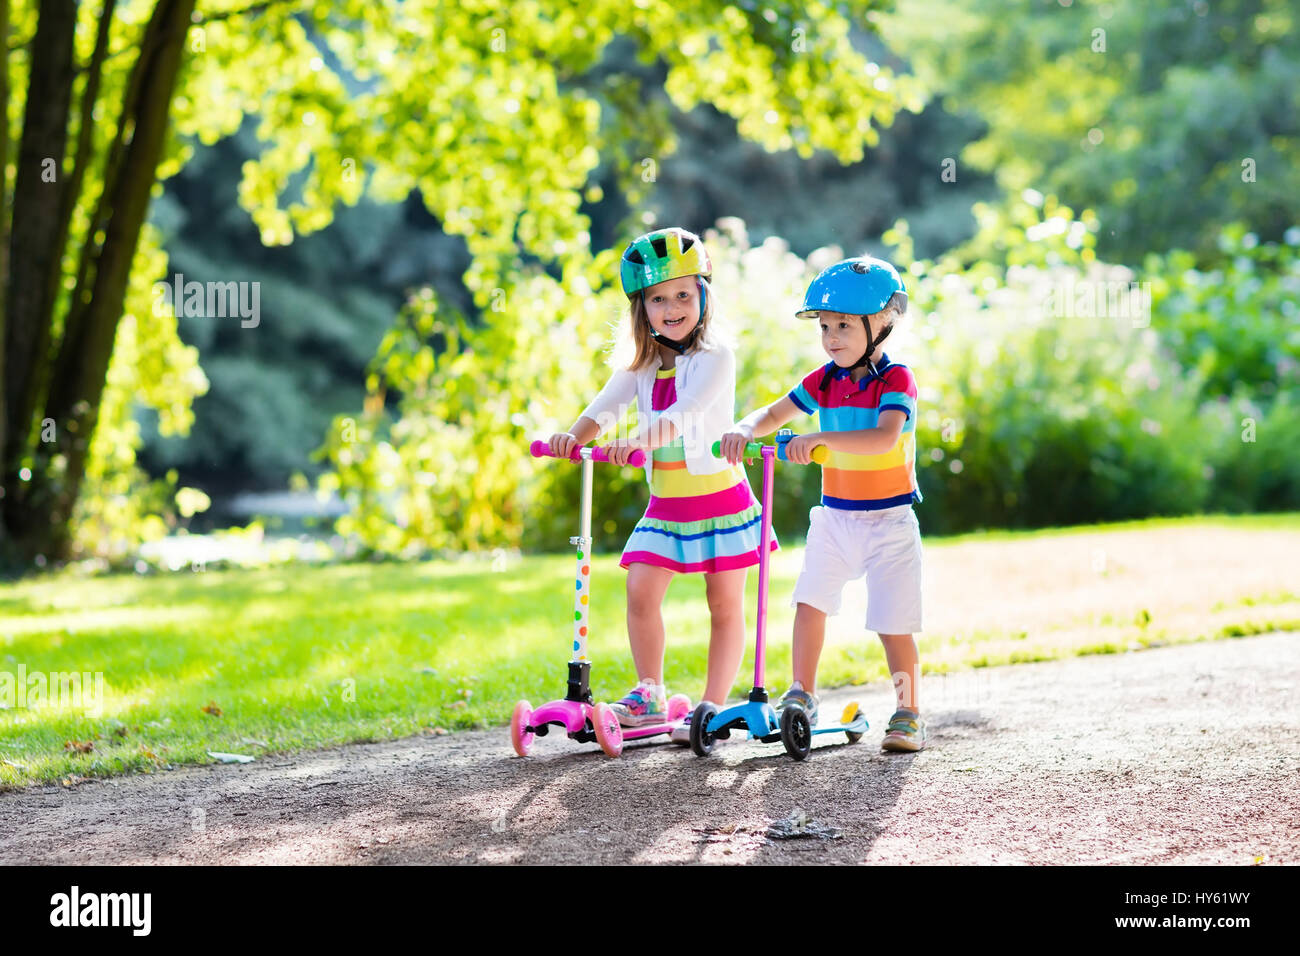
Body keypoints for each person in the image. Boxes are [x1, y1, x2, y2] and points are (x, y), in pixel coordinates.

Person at [547, 227, 775, 741]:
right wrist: (573, 437)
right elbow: (606, 405)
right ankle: (649, 691)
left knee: (724, 605)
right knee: (640, 590)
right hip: (668, 507)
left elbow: (686, 413)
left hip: (721, 501)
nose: (672, 306)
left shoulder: (716, 357)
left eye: (682, 294)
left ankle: (712, 707)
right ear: (641, 308)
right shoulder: (643, 364)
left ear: (702, 296)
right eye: (658, 298)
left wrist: (642, 442)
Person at [719, 256, 927, 752]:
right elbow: (775, 411)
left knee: (893, 621)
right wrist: (745, 429)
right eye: (826, 327)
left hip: (889, 521)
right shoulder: (824, 380)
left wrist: (817, 437)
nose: (831, 336)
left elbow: (882, 439)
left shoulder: (896, 380)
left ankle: (909, 711)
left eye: (844, 326)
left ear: (881, 325)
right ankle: (803, 692)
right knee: (809, 601)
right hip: (835, 518)